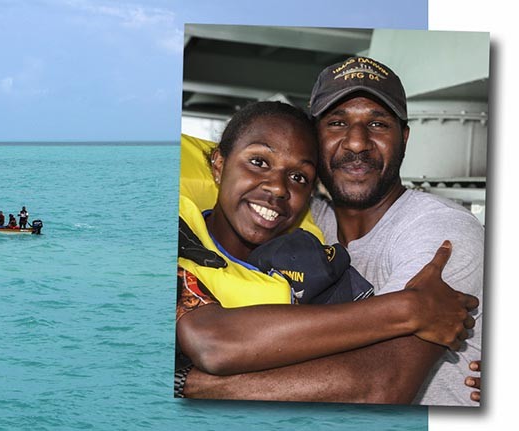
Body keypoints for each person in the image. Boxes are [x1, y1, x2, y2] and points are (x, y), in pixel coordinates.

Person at [180, 57, 483, 406]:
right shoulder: (296, 220)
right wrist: (407, 308)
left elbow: (380, 384)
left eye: (378, 124)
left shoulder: (442, 231)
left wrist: (194, 384)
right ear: (316, 139)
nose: (357, 142)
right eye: (337, 123)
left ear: (404, 138)